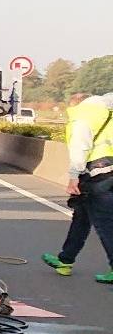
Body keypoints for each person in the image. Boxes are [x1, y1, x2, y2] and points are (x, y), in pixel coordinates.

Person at [42, 93, 113, 283]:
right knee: (81, 217)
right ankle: (66, 260)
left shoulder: (84, 115)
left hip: (97, 172)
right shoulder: (107, 111)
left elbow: (80, 147)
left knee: (104, 222)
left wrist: (74, 176)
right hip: (109, 169)